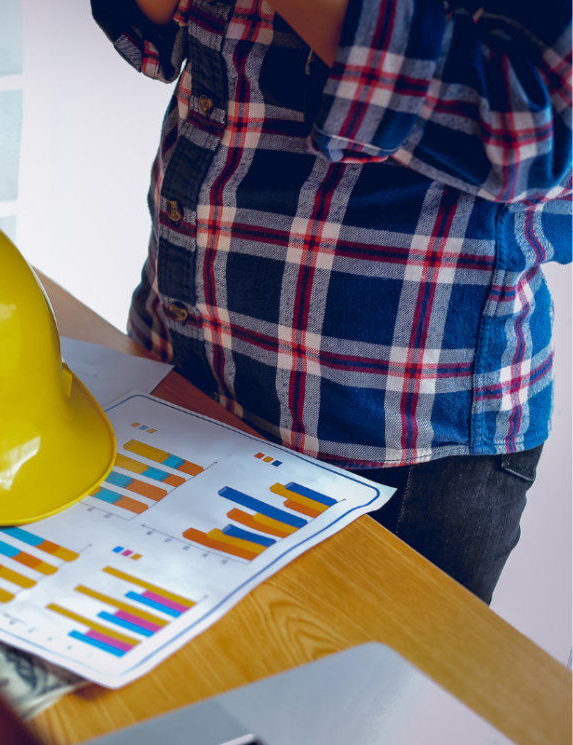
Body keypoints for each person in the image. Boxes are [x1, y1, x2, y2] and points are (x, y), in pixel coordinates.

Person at [92, 0, 572, 603]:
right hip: (181, 358)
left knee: (348, 693)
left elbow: (541, 128)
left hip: (395, 442)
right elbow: (164, 36)